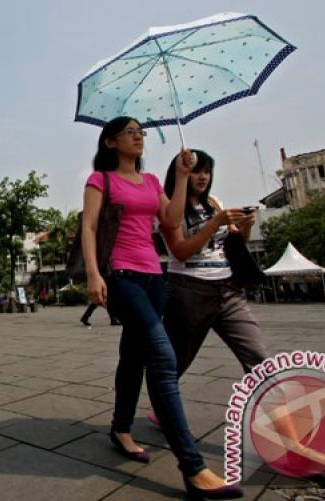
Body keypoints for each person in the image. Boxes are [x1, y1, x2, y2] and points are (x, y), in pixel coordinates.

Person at [157, 150, 325, 471]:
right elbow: (180, 250)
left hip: (227, 290)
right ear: (180, 172)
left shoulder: (213, 202)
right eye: (195, 170)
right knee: (174, 365)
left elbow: (233, 243)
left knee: (260, 361)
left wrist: (243, 226)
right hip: (189, 292)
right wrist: (214, 223)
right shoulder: (169, 204)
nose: (202, 176)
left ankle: (294, 447)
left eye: (206, 170)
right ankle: (164, 411)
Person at [82, 116, 241, 498]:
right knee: (163, 357)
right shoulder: (100, 181)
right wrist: (93, 275)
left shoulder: (152, 181)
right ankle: (193, 467)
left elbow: (171, 221)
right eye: (130, 133)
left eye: (142, 133)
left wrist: (183, 175)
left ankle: (121, 428)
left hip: (155, 277)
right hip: (121, 275)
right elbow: (88, 227)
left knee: (133, 354)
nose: (138, 138)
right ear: (110, 143)